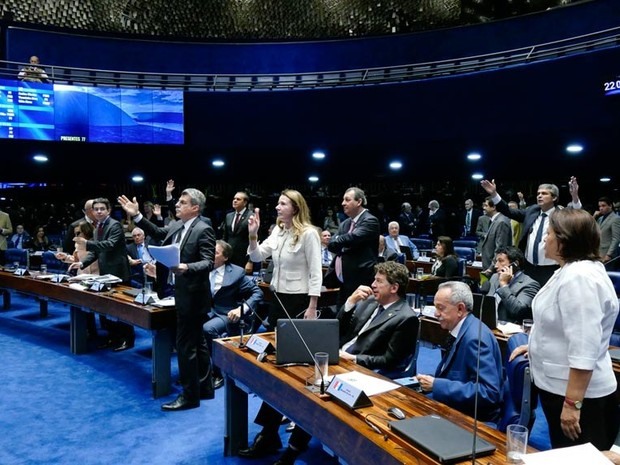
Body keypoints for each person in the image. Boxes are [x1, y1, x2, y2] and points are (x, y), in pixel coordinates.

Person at [246, 261, 419, 464]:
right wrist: (350, 302)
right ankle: (269, 433)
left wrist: (353, 358)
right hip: (338, 359)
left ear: (394, 287)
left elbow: (390, 360)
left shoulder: (406, 317)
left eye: (378, 281)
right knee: (285, 374)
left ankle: (292, 452)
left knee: (313, 392)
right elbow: (340, 327)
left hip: (360, 370)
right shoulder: (371, 302)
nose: (372, 284)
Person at [510, 208, 620, 450]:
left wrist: (573, 404)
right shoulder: (570, 270)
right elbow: (561, 327)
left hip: (581, 399)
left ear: (564, 240)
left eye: (548, 233)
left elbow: (585, 346)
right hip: (563, 388)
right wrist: (535, 347)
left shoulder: (579, 278)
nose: (543, 239)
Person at [238, 189, 322, 459]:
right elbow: (256, 256)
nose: (277, 207)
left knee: (292, 368)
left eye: (282, 203)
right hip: (277, 300)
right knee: (278, 368)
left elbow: (315, 271)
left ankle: (273, 431)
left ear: (295, 208)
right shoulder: (278, 230)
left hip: (299, 304)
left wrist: (312, 306)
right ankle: (269, 432)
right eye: (277, 203)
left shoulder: (309, 233)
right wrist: (253, 233)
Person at [119, 188, 216, 411]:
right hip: (179, 292)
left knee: (185, 346)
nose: (177, 205)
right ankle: (205, 388)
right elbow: (158, 231)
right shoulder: (176, 225)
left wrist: (186, 267)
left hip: (193, 296)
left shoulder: (204, 229)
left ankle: (190, 396)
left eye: (182, 202)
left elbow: (208, 262)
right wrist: (137, 216)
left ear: (195, 208)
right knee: (198, 343)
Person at [417, 281, 504, 423]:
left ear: (460, 309)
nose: (435, 313)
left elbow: (488, 392)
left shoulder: (475, 339)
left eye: (441, 308)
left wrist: (437, 385)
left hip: (471, 419)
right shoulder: (461, 329)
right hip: (454, 406)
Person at [480, 176, 582, 286]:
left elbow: (577, 217)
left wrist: (575, 197)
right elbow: (509, 211)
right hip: (529, 267)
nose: (539, 196)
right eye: (538, 193)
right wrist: (494, 194)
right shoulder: (532, 211)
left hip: (552, 268)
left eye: (544, 193)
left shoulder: (561, 214)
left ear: (554, 198)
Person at [68, 198, 134, 351]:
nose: (98, 211)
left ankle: (127, 339)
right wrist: (82, 263)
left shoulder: (114, 225)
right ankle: (113, 337)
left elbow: (109, 245)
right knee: (108, 309)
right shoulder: (98, 226)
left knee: (122, 309)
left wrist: (87, 243)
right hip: (105, 275)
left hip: (118, 274)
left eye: (101, 209)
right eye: (95, 209)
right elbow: (96, 251)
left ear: (108, 210)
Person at [202, 240, 262, 389]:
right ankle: (197, 372)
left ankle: (217, 372)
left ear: (225, 257)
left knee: (208, 329)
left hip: (225, 313)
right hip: (204, 310)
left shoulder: (236, 272)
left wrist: (241, 310)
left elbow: (257, 292)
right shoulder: (203, 268)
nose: (210, 255)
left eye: (215, 252)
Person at [326, 187, 380, 305]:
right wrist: (340, 241)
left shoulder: (370, 220)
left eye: (347, 200)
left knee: (357, 319)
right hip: (343, 282)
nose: (343, 203)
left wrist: (340, 240)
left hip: (361, 281)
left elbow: (353, 238)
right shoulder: (345, 223)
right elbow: (332, 244)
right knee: (341, 317)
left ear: (359, 202)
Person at [480, 246, 540, 324]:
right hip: (488, 324)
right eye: (496, 261)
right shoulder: (495, 277)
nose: (496, 266)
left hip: (509, 330)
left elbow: (518, 310)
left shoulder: (530, 284)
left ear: (515, 264)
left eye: (501, 261)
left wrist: (504, 285)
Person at [479, 196, 512, 277]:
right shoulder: (495, 220)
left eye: (486, 206)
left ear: (493, 207)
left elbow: (500, 248)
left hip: (495, 269)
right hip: (490, 267)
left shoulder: (501, 222)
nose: (484, 208)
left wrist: (491, 268)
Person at [222, 191, 252, 268]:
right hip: (228, 257)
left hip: (243, 257)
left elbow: (254, 240)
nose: (235, 201)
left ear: (245, 203)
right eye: (234, 199)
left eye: (238, 199)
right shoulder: (228, 216)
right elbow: (225, 237)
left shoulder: (251, 216)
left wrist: (250, 261)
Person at [593, 196, 620, 268]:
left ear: (610, 206)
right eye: (599, 206)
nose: (601, 208)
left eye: (603, 206)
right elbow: (591, 230)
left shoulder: (616, 219)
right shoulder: (600, 218)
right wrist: (594, 217)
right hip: (599, 253)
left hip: (608, 255)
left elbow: (616, 239)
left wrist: (609, 255)